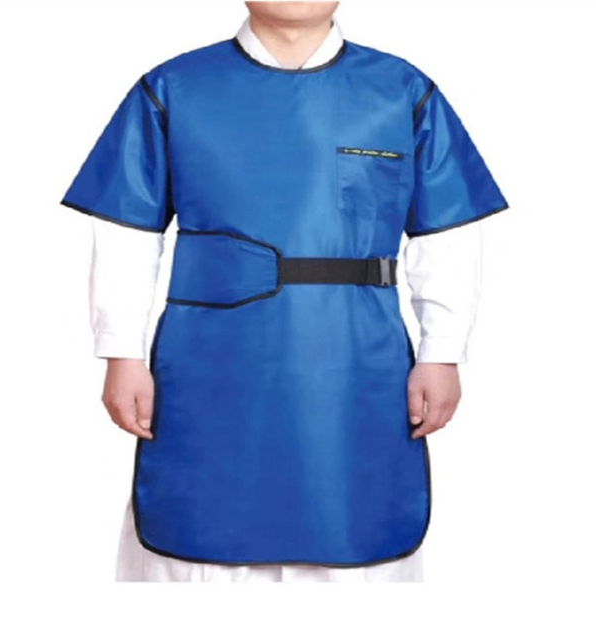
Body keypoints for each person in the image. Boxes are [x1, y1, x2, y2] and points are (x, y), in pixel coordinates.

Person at [60, 2, 509, 582]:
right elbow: (127, 231)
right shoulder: (173, 88)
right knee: (194, 541)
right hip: (212, 365)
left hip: (353, 363)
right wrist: (120, 352)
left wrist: (442, 352)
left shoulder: (401, 91)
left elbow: (446, 233)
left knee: (355, 535)